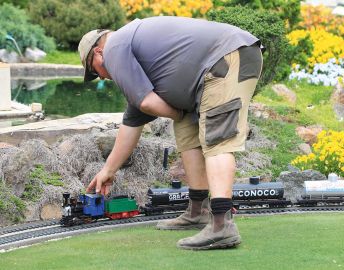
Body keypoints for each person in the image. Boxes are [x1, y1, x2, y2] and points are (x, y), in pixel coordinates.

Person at [79, 16, 264, 250]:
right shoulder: (132, 52)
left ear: (98, 54)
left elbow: (147, 103)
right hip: (218, 63)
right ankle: (199, 211)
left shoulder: (114, 47)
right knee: (187, 131)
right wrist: (108, 170)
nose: (103, 78)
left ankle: (222, 225)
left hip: (225, 58)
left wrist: (177, 113)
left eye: (96, 73)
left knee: (217, 141)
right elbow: (131, 124)